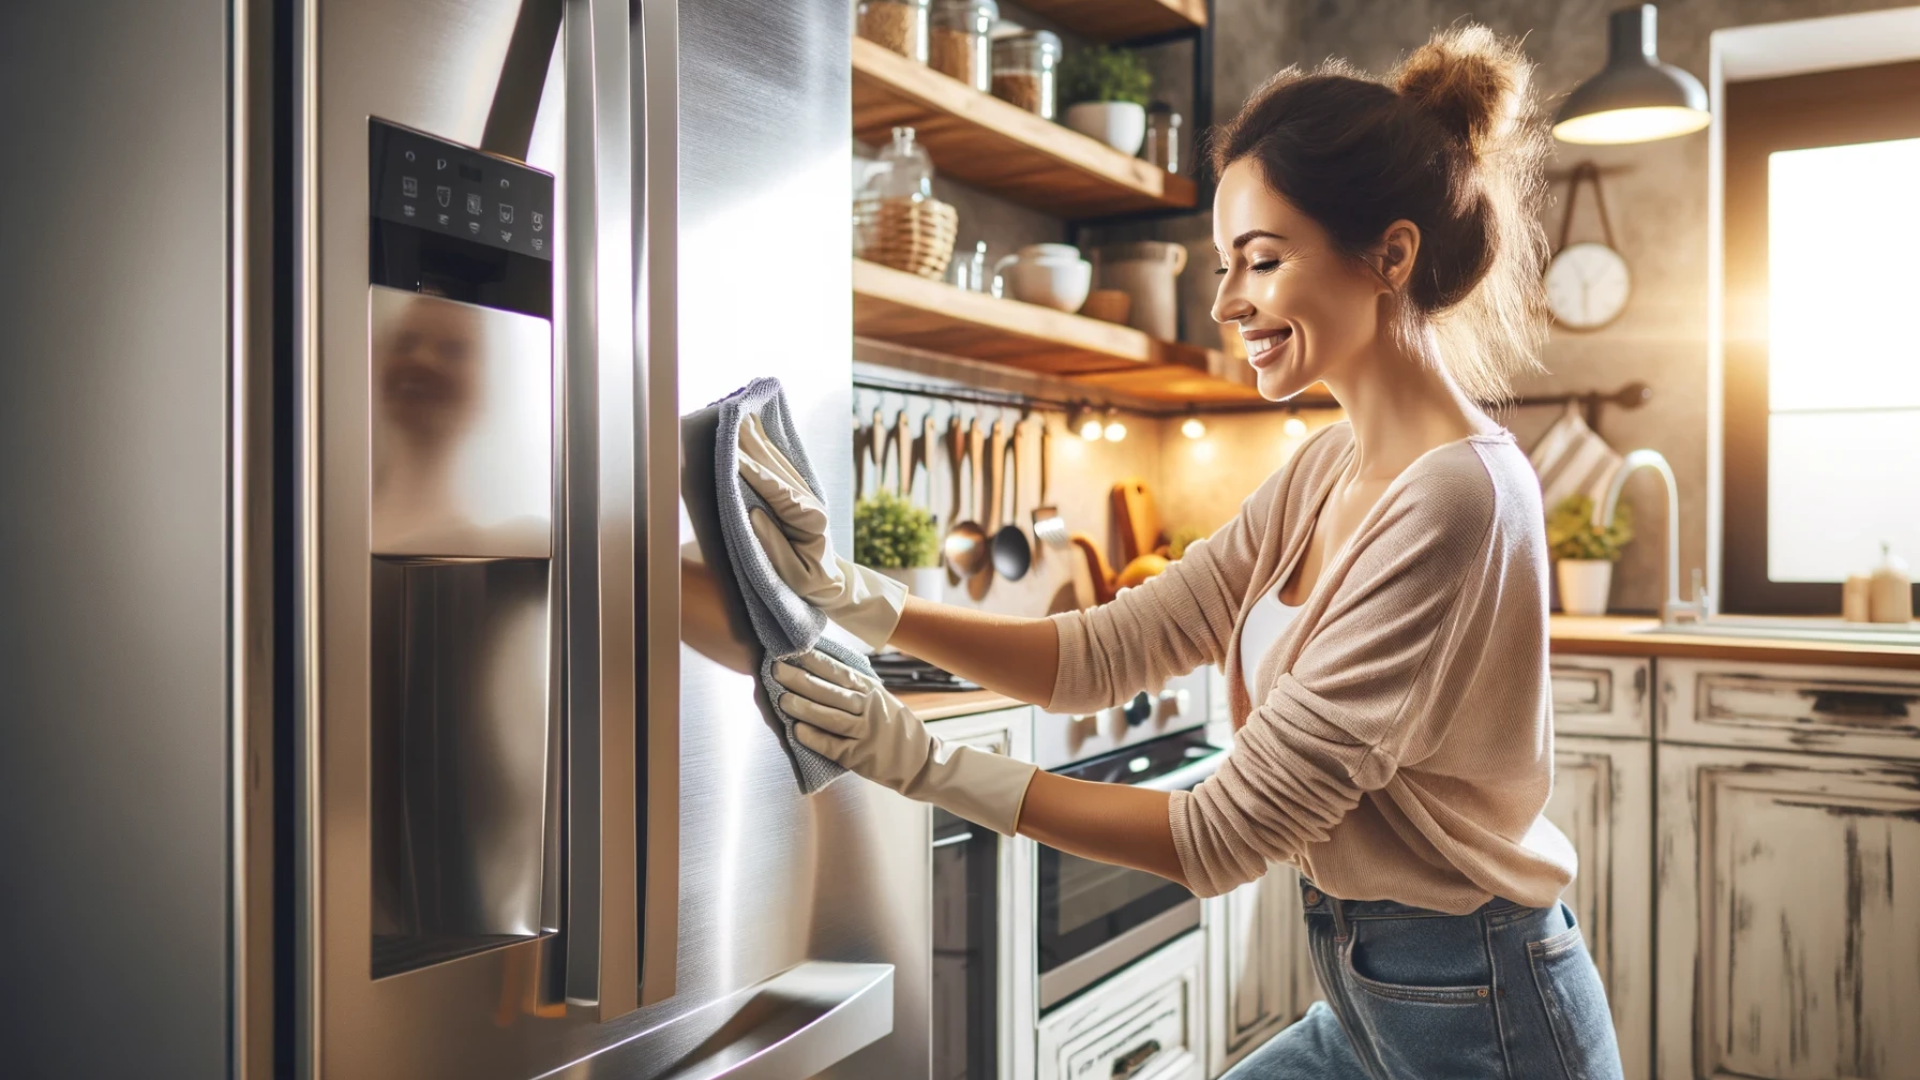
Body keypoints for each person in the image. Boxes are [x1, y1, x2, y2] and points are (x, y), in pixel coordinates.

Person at [739, 24, 1625, 1080]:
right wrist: (859, 598)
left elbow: (1222, 836)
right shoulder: (1327, 468)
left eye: (1263, 259)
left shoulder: (1462, 498)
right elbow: (1105, 652)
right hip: (1371, 995)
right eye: (1222, 265)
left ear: (1390, 255)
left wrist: (926, 765)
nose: (1226, 301)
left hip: (1485, 1016)